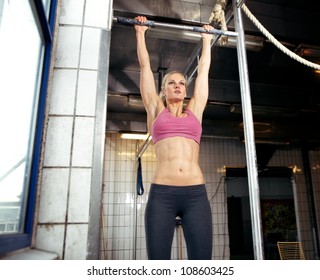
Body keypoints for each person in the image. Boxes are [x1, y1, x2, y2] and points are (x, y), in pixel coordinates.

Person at [134, 16, 214, 260]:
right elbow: (145, 68)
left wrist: (207, 40)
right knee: (158, 264)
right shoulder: (156, 111)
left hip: (196, 196)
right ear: (164, 90)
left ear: (186, 90)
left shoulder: (196, 112)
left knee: (201, 264)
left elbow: (204, 73)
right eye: (171, 83)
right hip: (162, 196)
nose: (178, 86)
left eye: (181, 83)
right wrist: (140, 33)